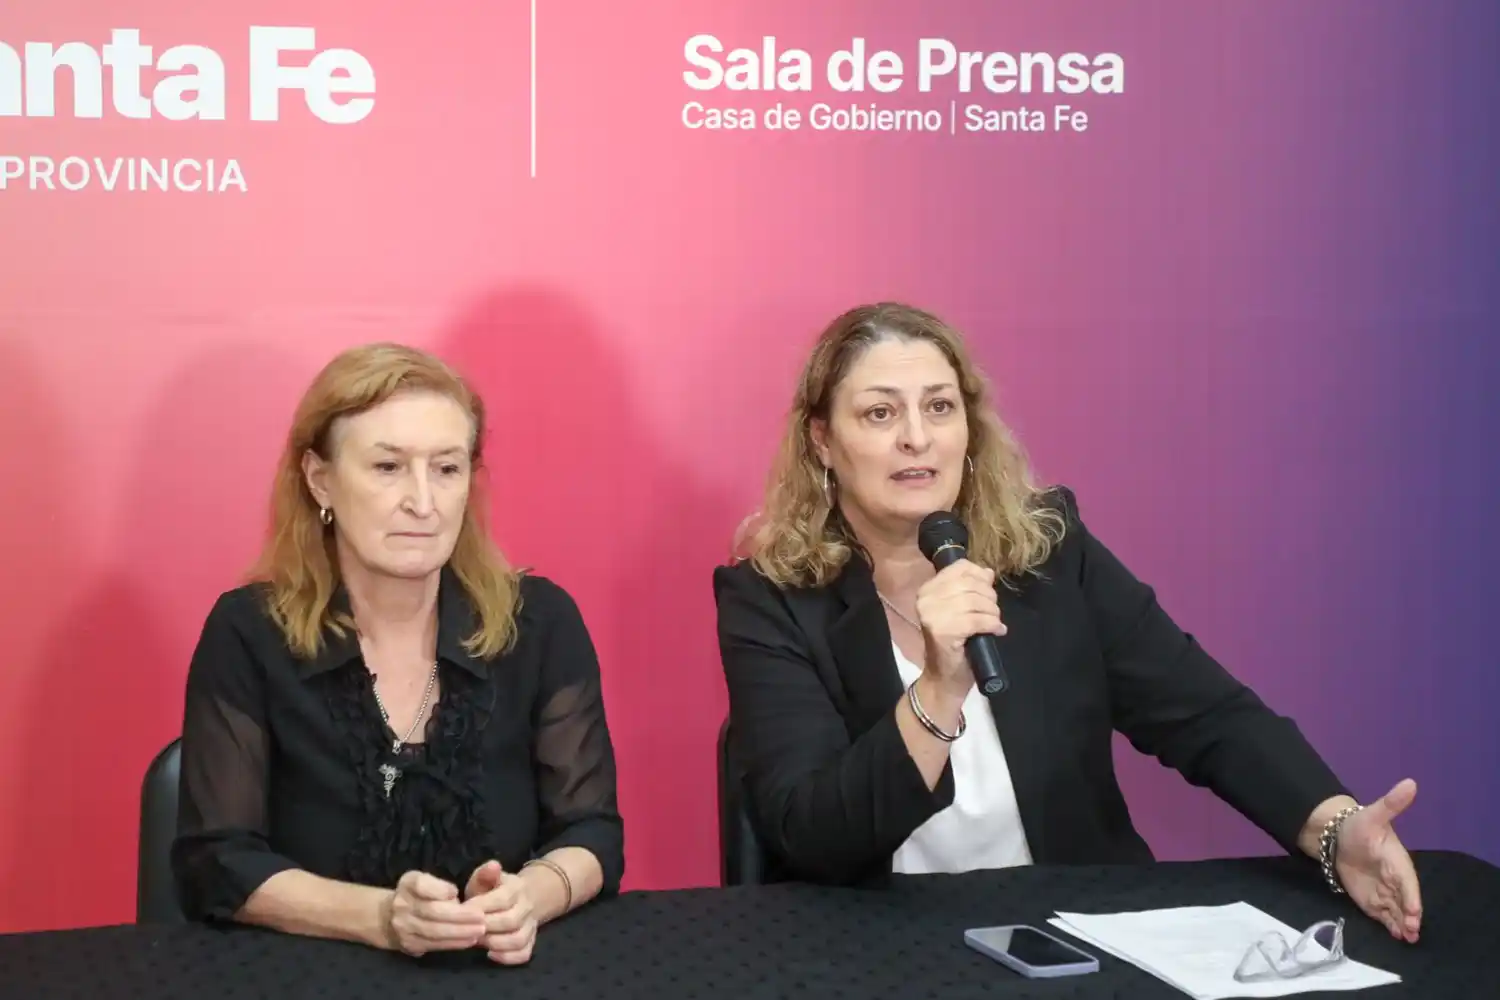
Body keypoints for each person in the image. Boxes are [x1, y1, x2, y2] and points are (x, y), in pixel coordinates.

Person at [713, 302, 1423, 943]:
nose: (916, 439)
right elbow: (813, 836)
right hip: (872, 946)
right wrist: (936, 689)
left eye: (939, 407)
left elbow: (1207, 716)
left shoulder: (1050, 557)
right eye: (879, 414)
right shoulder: (772, 598)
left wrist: (1334, 828)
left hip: (1069, 930)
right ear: (822, 442)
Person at [172, 343, 624, 963]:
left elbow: (592, 831)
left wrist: (530, 898)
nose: (424, 501)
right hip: (308, 975)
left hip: (504, 974)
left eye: (447, 468)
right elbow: (216, 859)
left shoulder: (539, 621)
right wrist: (381, 917)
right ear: (319, 478)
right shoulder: (249, 631)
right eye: (388, 467)